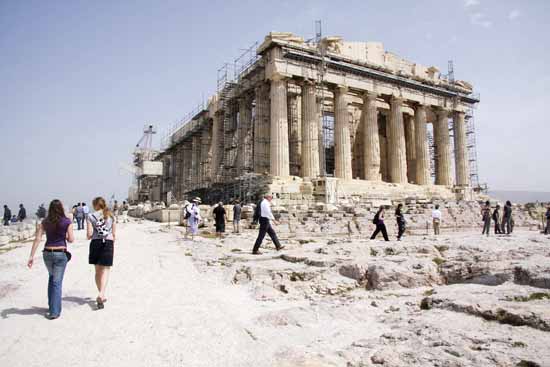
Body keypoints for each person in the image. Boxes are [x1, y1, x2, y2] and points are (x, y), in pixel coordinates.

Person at [27, 199, 74, 320]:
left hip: (47, 253)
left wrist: (31, 256)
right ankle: (54, 311)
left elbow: (37, 239)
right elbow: (71, 239)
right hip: (60, 253)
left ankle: (51, 305)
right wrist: (65, 233)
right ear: (61, 209)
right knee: (57, 282)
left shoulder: (45, 222)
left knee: (52, 278)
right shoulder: (66, 221)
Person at [86, 197, 116, 310]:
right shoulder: (111, 216)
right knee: (106, 269)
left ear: (95, 205)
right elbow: (114, 234)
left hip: (95, 243)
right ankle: (102, 294)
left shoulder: (90, 216)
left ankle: (101, 293)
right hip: (107, 242)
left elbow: (89, 234)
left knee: (98, 271)